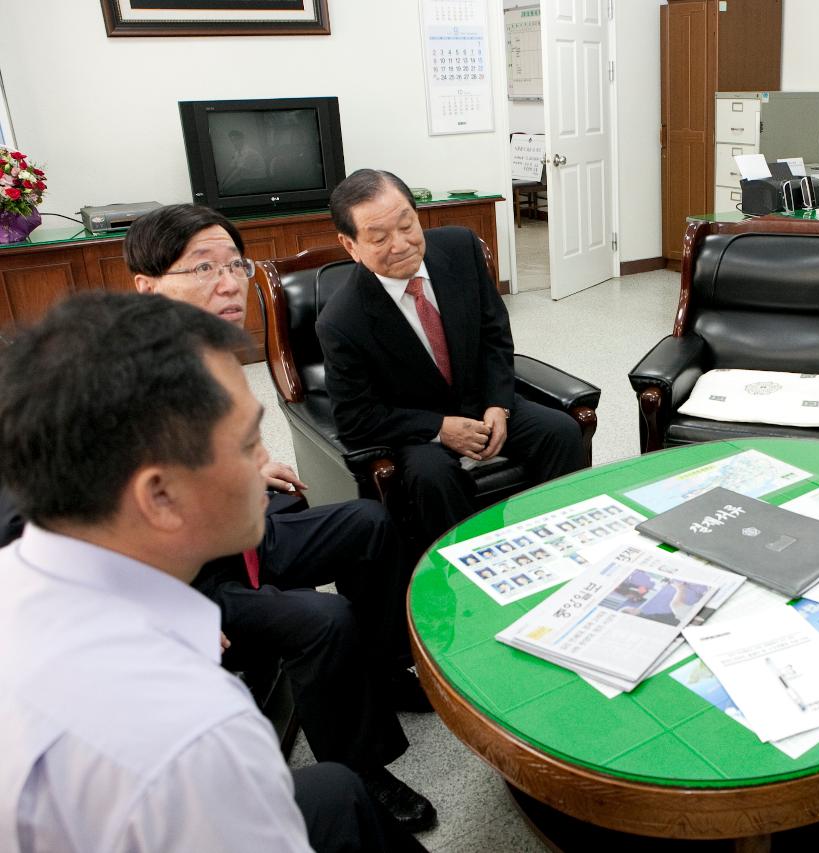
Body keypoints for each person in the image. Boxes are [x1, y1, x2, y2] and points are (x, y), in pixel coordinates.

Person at [0, 293, 423, 852]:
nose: (262, 461)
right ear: (160, 495)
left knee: (337, 792)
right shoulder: (198, 731)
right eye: (249, 443)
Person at [125, 203, 435, 829]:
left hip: (235, 530)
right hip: (183, 580)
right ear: (147, 286)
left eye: (234, 264)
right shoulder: (118, 376)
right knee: (323, 616)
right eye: (202, 268)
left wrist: (245, 466)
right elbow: (67, 520)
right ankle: (362, 773)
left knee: (367, 525)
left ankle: (381, 670)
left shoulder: (209, 352)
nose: (228, 281)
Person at [316, 169, 585, 544]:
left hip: (480, 399)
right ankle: (463, 574)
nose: (401, 244)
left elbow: (494, 336)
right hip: (419, 426)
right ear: (351, 246)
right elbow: (355, 419)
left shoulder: (461, 248)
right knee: (432, 479)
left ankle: (560, 543)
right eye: (379, 238)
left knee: (562, 432)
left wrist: (498, 404)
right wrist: (439, 429)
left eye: (406, 225)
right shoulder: (342, 320)